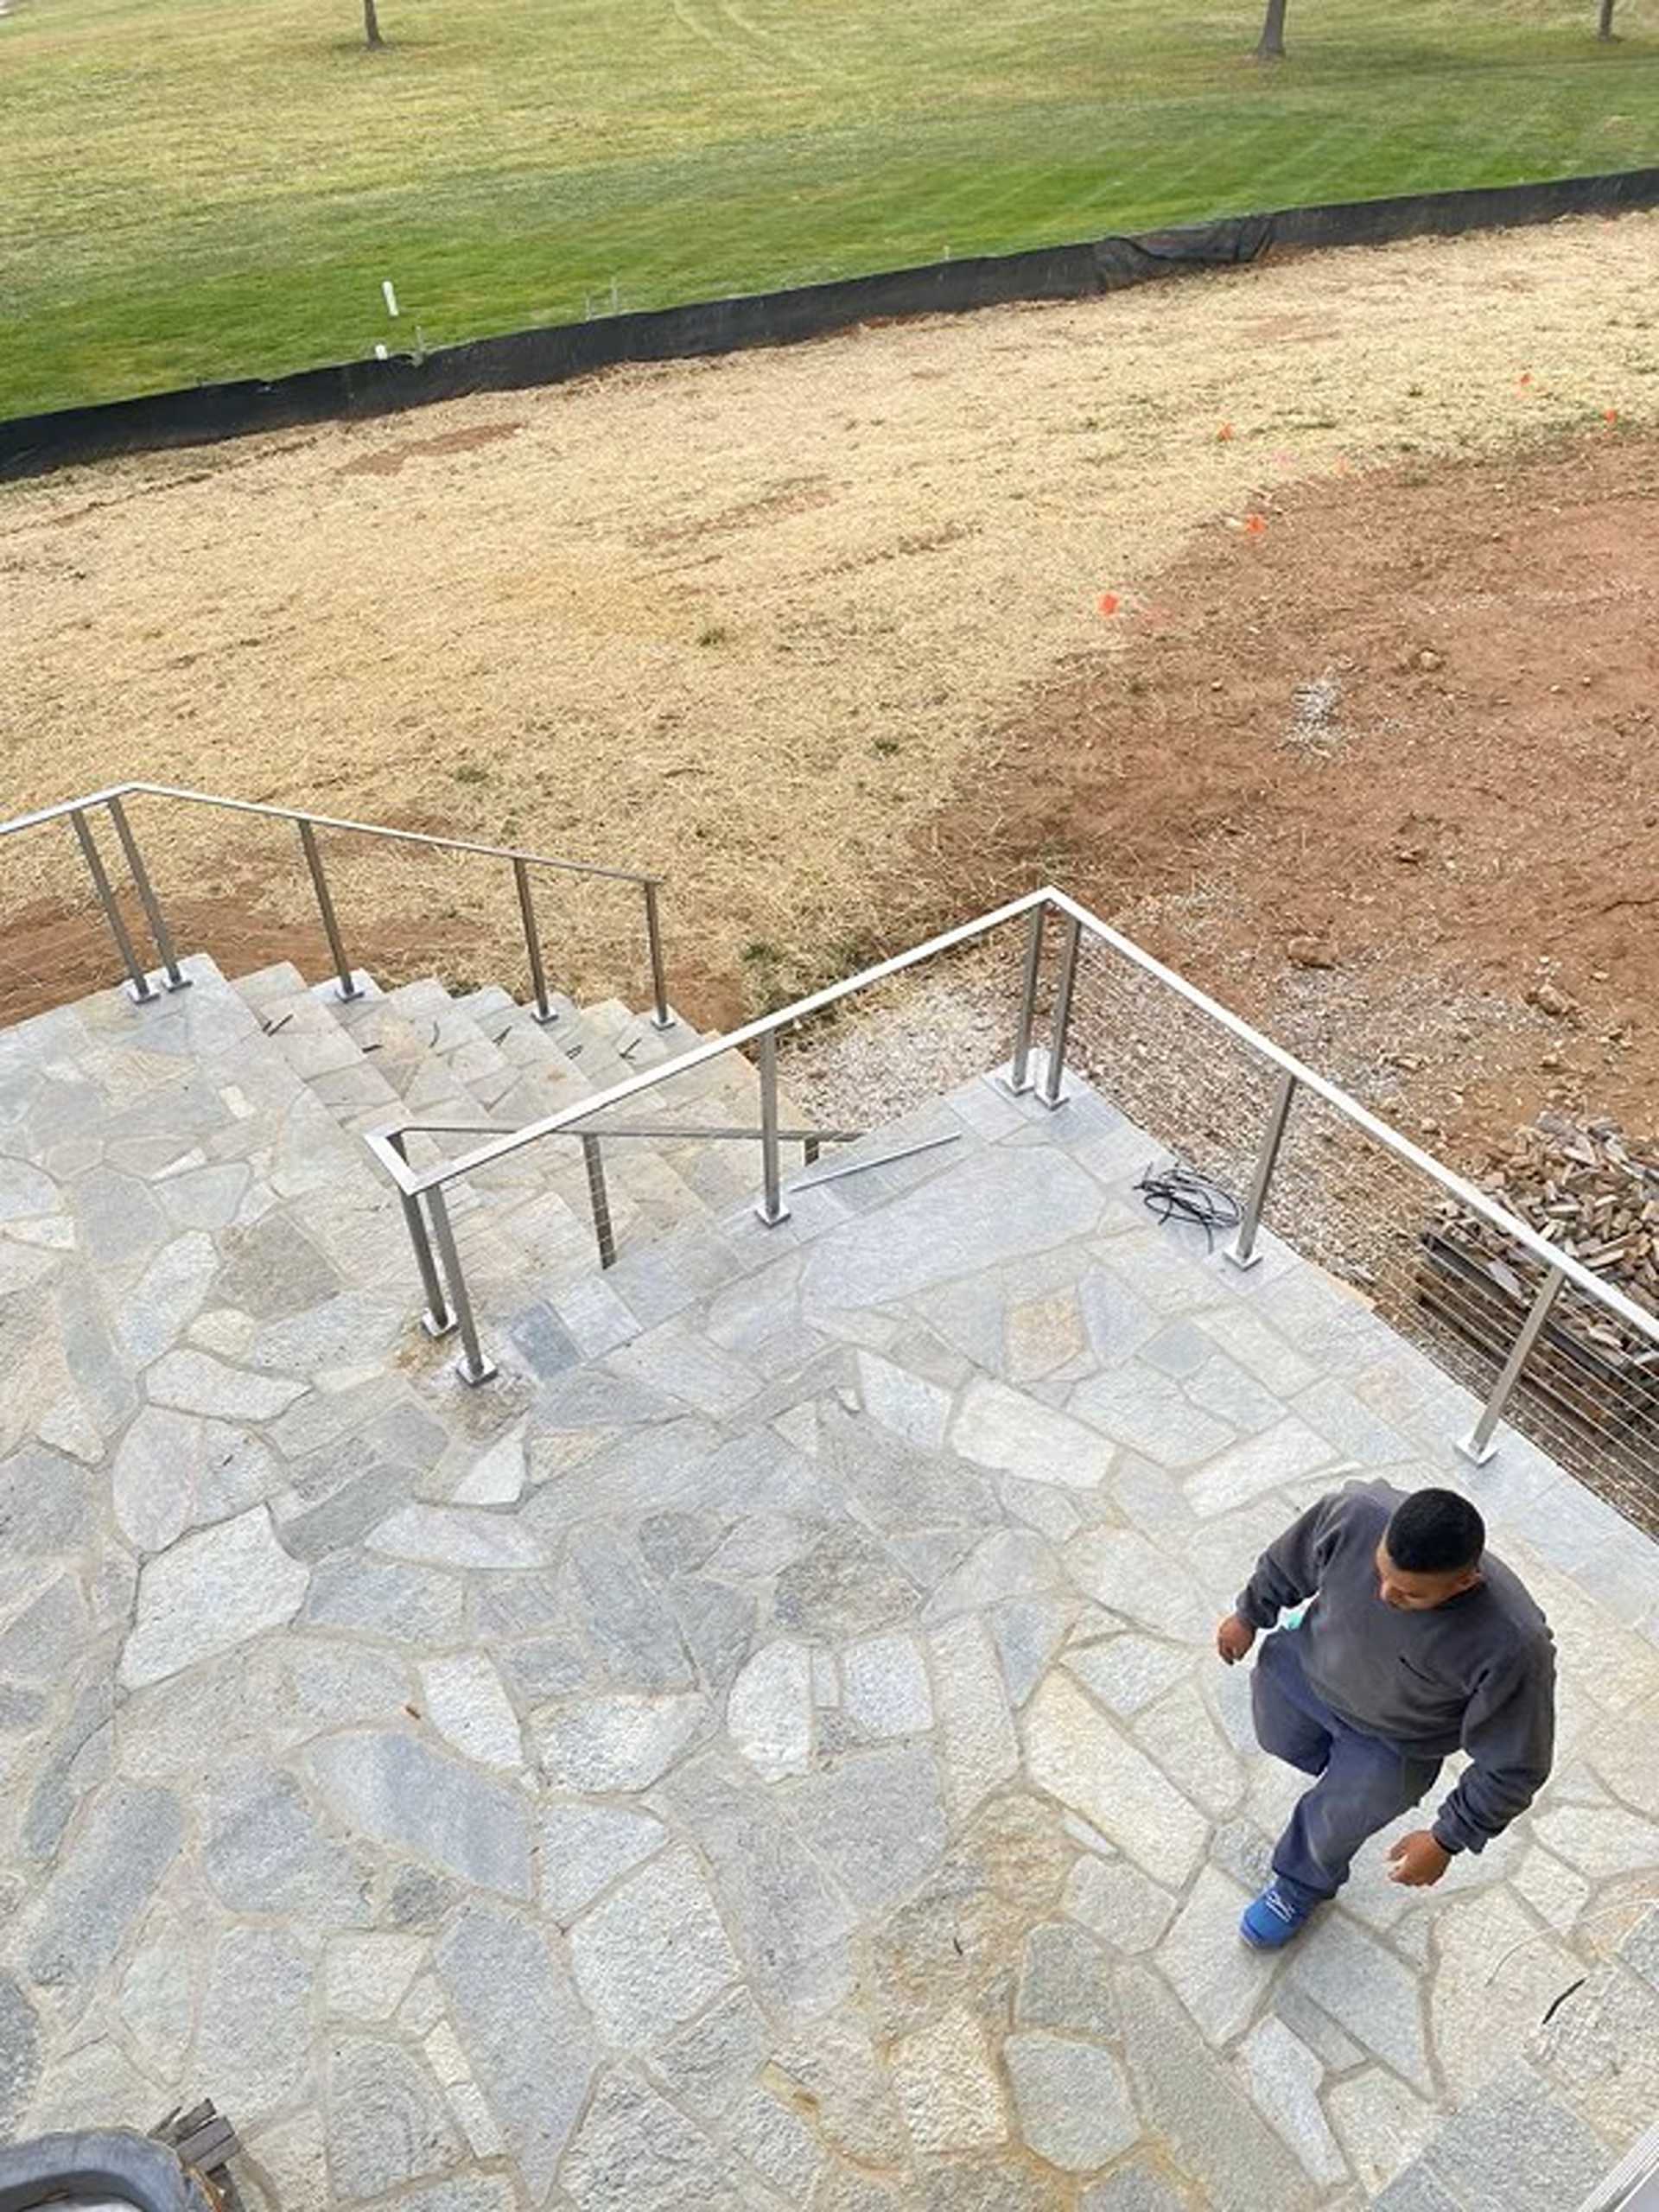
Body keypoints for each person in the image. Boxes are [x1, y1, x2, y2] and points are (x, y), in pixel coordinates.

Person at [1215, 1478, 1555, 1949]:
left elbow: (1516, 1764)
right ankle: (1340, 1772)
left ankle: (1298, 1885)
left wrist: (1447, 1838)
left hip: (1396, 1742)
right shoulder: (1354, 1513)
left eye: (1411, 1595)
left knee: (1337, 1815)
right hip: (1309, 1671)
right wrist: (1249, 1614)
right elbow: (1288, 1560)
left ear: (1465, 1582)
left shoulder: (1513, 1645)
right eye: (1380, 1574)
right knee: (1277, 1735)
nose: (1386, 1596)